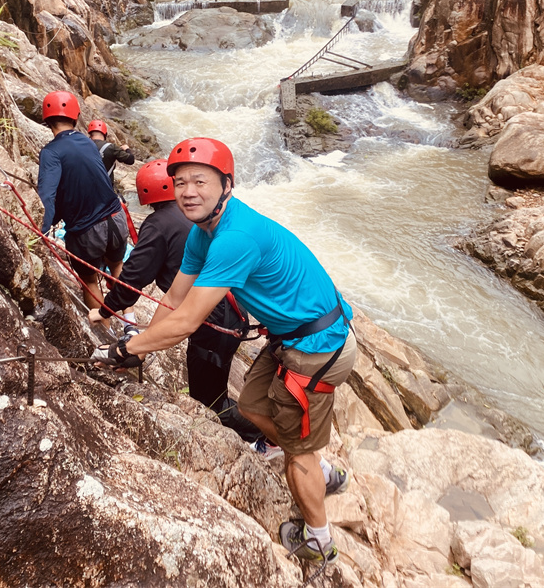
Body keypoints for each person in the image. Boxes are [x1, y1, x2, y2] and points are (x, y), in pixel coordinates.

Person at [92, 137, 355, 566]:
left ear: (226, 185)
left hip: (318, 346)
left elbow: (188, 321)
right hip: (292, 337)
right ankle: (314, 464)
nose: (187, 191)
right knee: (252, 406)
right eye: (179, 183)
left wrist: (125, 350)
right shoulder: (202, 233)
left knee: (298, 449)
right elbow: (174, 301)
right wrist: (140, 350)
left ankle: (319, 540)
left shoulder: (235, 236)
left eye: (199, 181)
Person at [89, 159, 262, 444]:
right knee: (209, 390)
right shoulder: (195, 219)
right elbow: (171, 296)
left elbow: (133, 277)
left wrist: (106, 310)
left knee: (210, 401)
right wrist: (142, 347)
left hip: (212, 320)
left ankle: (262, 436)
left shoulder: (158, 225)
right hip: (227, 310)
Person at [37, 91, 128, 310]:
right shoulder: (88, 143)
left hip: (87, 231)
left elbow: (47, 195)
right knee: (116, 267)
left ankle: (104, 334)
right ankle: (130, 322)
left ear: (47, 121)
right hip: (117, 218)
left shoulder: (51, 153)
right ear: (76, 118)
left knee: (89, 281)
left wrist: (42, 230)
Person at [87, 119, 135, 187]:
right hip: (105, 188)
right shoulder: (111, 147)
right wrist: (127, 149)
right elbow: (130, 160)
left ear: (90, 135)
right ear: (105, 134)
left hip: (85, 188)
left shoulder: (83, 146)